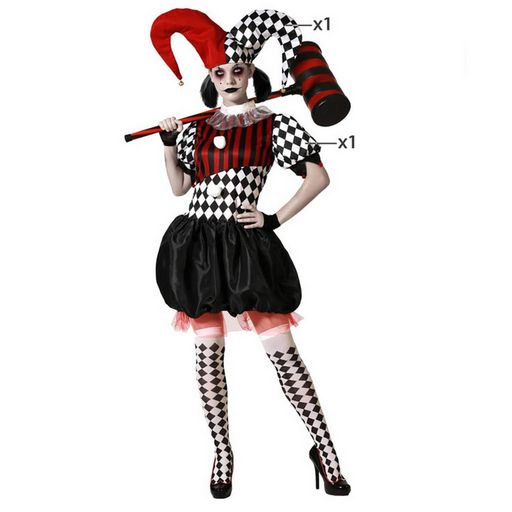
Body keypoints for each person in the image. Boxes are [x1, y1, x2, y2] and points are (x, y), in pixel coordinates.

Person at [151, 8, 351, 498]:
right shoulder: (196, 127)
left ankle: (325, 450)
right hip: (198, 248)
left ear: (250, 73)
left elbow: (318, 177)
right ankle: (222, 454)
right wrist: (169, 144)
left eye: (237, 69)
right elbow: (179, 188)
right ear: (211, 77)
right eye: (219, 71)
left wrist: (274, 219)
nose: (229, 78)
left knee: (284, 355)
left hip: (245, 249)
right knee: (208, 357)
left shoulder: (275, 124)